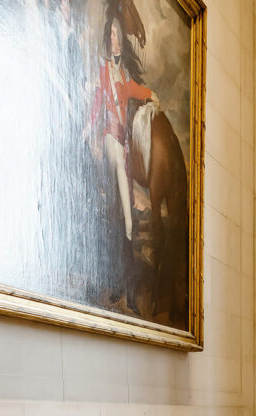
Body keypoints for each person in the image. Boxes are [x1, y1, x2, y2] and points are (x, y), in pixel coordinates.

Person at [90, 15, 159, 314]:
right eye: (112, 35)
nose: (115, 40)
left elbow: (137, 91)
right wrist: (88, 131)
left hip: (122, 145)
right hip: (109, 138)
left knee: (129, 223)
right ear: (108, 39)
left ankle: (128, 290)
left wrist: (153, 96)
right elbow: (96, 105)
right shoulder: (104, 72)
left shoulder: (124, 75)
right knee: (116, 163)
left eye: (118, 35)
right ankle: (118, 284)